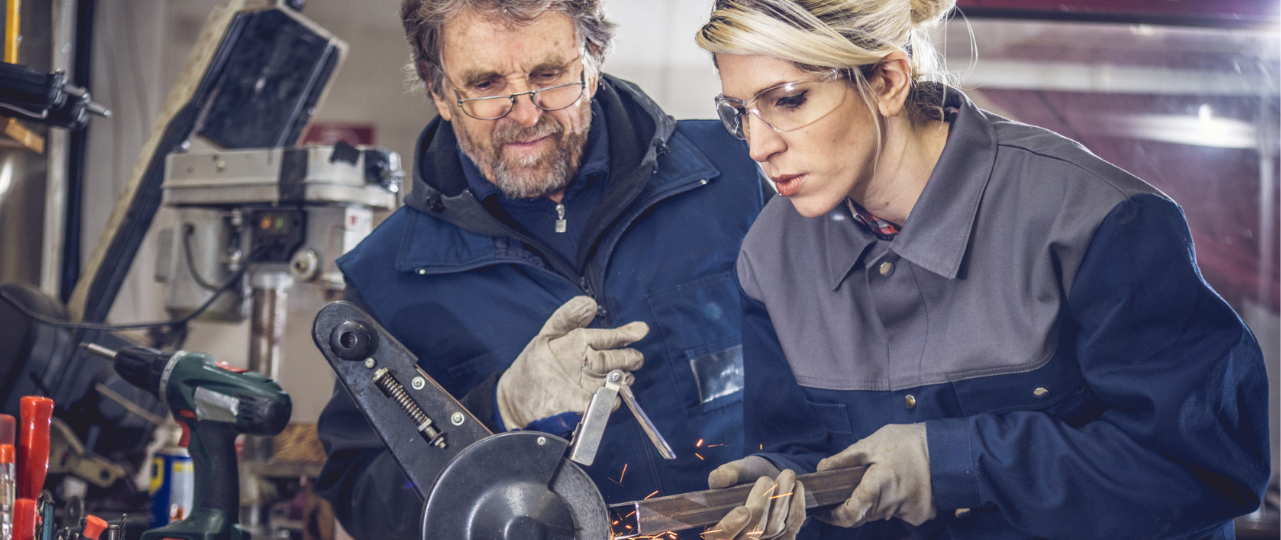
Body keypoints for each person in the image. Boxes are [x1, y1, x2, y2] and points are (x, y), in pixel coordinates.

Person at [690, 0, 1273, 539]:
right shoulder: (770, 256)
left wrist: (952, 461)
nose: (757, 147)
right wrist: (781, 481)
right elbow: (803, 448)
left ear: (887, 81)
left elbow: (1208, 468)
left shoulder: (1096, 219)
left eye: (788, 100)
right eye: (740, 113)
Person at [315, 0, 766, 537]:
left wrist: (797, 472)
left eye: (548, 75)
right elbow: (367, 500)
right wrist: (498, 411)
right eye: (486, 84)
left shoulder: (743, 171)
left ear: (592, 61)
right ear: (439, 92)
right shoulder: (387, 280)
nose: (526, 114)